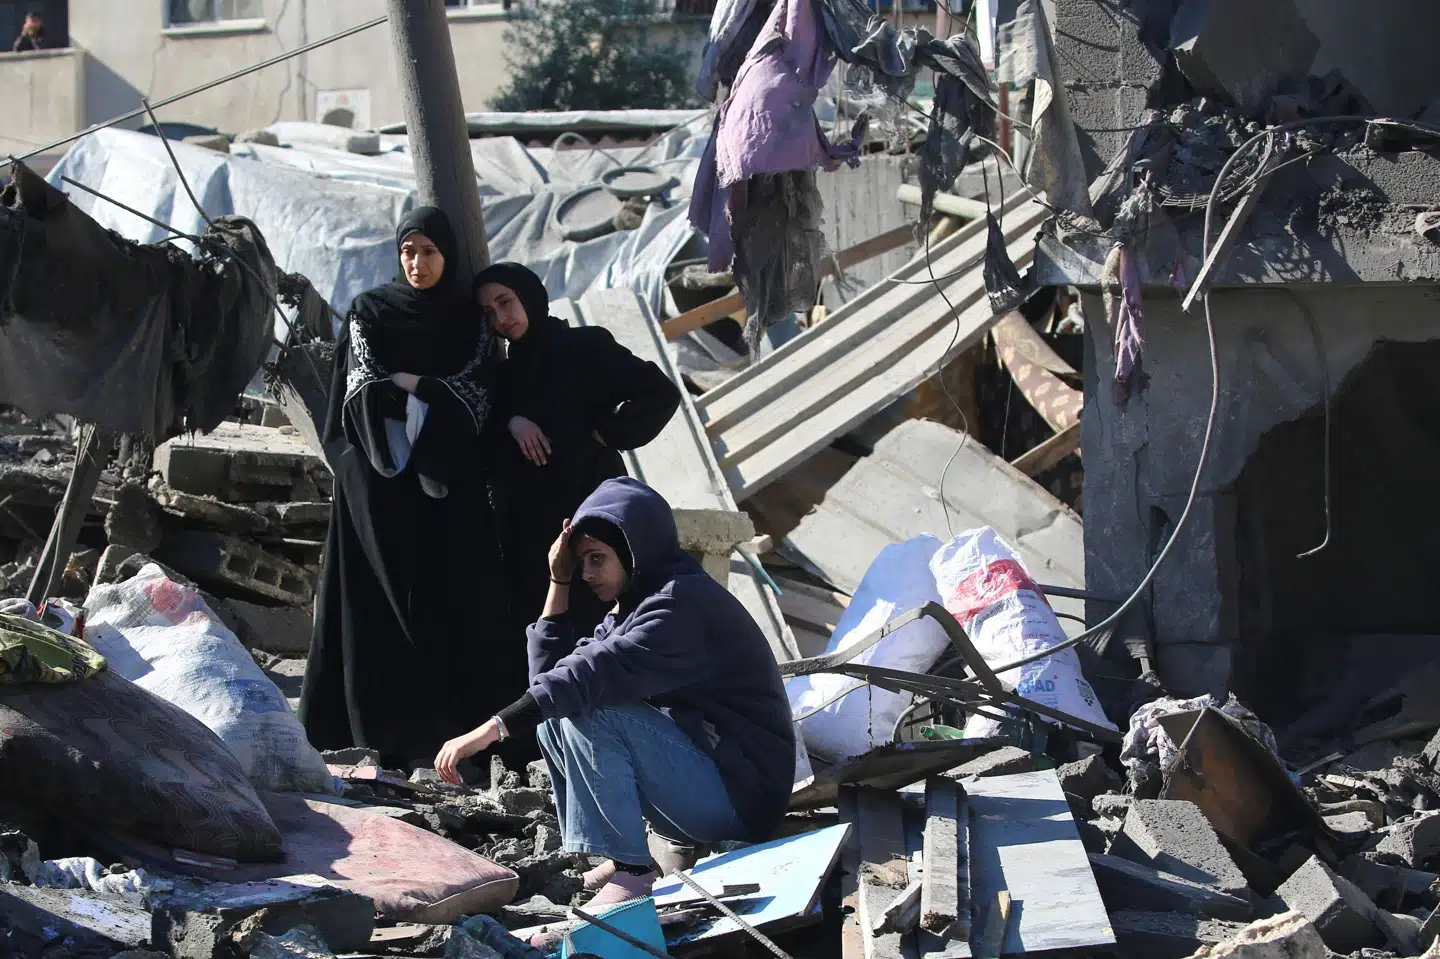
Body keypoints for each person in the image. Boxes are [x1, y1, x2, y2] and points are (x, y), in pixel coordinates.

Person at [434, 478, 795, 909]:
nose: (587, 573)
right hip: (708, 783)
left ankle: (633, 870)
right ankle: (625, 854)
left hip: (744, 798)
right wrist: (558, 581)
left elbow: (587, 677)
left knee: (592, 710)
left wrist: (489, 731)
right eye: (581, 561)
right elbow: (550, 680)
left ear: (633, 551)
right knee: (558, 715)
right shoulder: (636, 606)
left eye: (596, 560)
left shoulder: (679, 605)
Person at [300, 207, 528, 770]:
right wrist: (416, 405)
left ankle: (458, 735)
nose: (417, 263)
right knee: (377, 603)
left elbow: (474, 394)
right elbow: (362, 392)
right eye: (409, 252)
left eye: (428, 252)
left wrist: (418, 392)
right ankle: (368, 730)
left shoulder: (467, 320)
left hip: (450, 484)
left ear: (446, 255)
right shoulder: (370, 311)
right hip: (377, 486)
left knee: (453, 600)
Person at [473, 262, 680, 637]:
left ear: (529, 297)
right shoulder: (504, 375)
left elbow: (660, 393)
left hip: (590, 509)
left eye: (506, 302)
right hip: (530, 530)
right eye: (490, 313)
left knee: (599, 624)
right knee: (542, 630)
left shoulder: (585, 347)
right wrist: (512, 423)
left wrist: (603, 432)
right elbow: (486, 442)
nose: (501, 319)